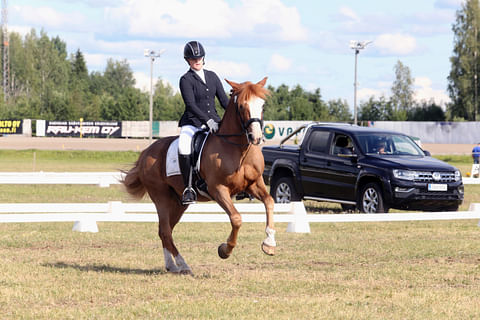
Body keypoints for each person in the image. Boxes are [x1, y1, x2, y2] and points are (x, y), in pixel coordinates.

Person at [178, 41, 229, 205]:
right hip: (192, 123)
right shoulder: (185, 79)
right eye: (193, 59)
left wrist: (237, 115)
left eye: (199, 57)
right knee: (183, 146)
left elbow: (224, 101)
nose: (197, 60)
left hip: (215, 121)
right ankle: (188, 188)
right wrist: (207, 121)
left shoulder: (212, 76)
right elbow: (190, 105)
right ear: (188, 60)